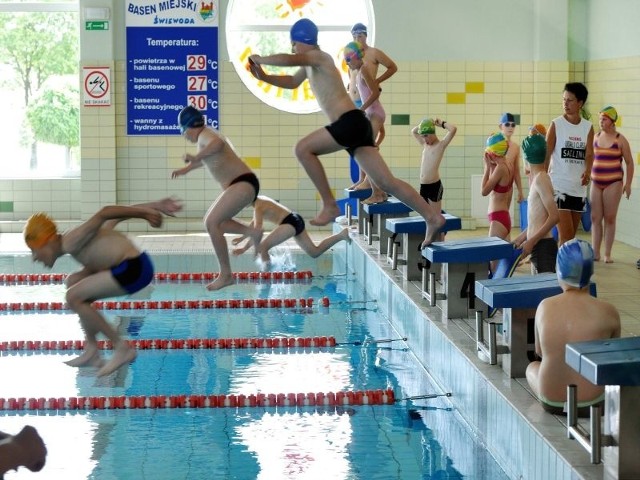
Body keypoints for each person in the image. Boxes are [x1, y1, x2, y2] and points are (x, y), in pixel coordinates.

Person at [247, 18, 445, 247]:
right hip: (356, 125)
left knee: (302, 149)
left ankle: (329, 204)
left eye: (294, 44)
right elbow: (292, 81)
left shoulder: (319, 57)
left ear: (302, 41)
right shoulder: (311, 64)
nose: (293, 49)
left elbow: (289, 60)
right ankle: (432, 217)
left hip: (349, 121)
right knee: (387, 182)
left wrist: (260, 58)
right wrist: (264, 77)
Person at [24, 197, 182, 377]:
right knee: (73, 282)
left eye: (34, 250)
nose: (34, 258)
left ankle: (121, 347)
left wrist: (145, 213)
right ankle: (92, 349)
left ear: (48, 241)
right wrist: (155, 205)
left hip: (134, 269)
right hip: (129, 267)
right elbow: (115, 218)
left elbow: (105, 213)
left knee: (73, 296)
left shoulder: (70, 241)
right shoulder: (77, 240)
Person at [172, 106, 264, 290]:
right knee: (216, 223)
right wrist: (186, 169)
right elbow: (206, 158)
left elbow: (218, 145)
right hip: (244, 184)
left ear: (189, 126)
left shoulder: (206, 136)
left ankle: (226, 274)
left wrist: (195, 156)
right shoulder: (206, 137)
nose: (184, 136)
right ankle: (252, 232)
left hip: (242, 183)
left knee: (211, 222)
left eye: (183, 131)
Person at [525, 239, 621, 416]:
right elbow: (613, 359)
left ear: (559, 272)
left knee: (532, 367)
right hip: (595, 402)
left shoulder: (544, 307)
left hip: (551, 399)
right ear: (591, 272)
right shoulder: (609, 311)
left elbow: (539, 351)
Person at [231, 195, 350, 265]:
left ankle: (267, 275)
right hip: (295, 219)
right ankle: (341, 235)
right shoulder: (260, 201)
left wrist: (244, 248)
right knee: (315, 252)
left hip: (289, 222)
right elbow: (253, 227)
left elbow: (257, 230)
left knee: (263, 247)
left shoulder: (258, 207)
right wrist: (242, 239)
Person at [545, 82, 595, 246]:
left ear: (580, 103)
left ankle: (561, 269)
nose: (565, 104)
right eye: (564, 99)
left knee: (570, 240)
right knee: (565, 236)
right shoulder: (556, 124)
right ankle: (561, 272)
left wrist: (588, 171)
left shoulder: (587, 127)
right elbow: (546, 155)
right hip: (559, 187)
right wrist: (541, 182)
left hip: (578, 189)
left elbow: (589, 154)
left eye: (570, 100)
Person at [343, 41, 388, 204]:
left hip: (375, 113)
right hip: (371, 114)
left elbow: (375, 92)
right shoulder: (357, 72)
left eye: (348, 59)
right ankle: (378, 191)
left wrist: (362, 108)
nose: (347, 63)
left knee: (368, 153)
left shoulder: (364, 70)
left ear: (355, 56)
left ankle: (376, 191)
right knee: (365, 152)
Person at [590, 105, 634, 263]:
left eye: (604, 119)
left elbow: (629, 163)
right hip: (596, 181)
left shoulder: (620, 139)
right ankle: (595, 252)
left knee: (609, 218)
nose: (601, 121)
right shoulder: (595, 137)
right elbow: (590, 159)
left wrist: (628, 184)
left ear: (612, 121)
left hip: (613, 182)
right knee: (595, 218)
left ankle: (607, 253)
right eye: (600, 118)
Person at [513, 133, 559, 274]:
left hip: (543, 247)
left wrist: (531, 241)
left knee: (544, 293)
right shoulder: (538, 179)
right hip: (538, 246)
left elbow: (554, 217)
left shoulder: (541, 179)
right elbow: (537, 221)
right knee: (538, 292)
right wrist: (521, 238)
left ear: (525, 158)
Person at [412, 117, 457, 216]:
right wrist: (425, 123)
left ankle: (441, 231)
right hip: (423, 186)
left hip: (434, 186)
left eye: (426, 136)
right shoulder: (425, 145)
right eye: (422, 136)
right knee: (426, 216)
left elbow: (453, 129)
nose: (424, 139)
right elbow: (414, 131)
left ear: (433, 133)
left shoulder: (440, 145)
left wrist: (441, 123)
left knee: (435, 217)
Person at [481, 132, 513, 241]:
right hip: (502, 216)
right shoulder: (507, 164)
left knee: (491, 257)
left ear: (493, 154)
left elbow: (484, 191)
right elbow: (494, 181)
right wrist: (491, 165)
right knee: (503, 257)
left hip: (498, 219)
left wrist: (486, 167)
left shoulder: (500, 168)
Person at [498, 113, 525, 204]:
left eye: (513, 125)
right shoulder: (495, 145)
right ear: (501, 126)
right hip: (497, 187)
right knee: (497, 214)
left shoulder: (515, 147)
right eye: (507, 124)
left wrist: (520, 191)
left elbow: (516, 171)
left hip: (509, 187)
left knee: (505, 214)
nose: (510, 127)